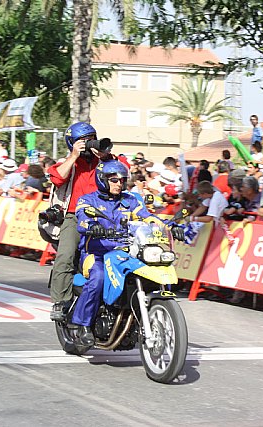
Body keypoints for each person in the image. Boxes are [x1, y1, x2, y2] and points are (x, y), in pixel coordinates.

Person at [71, 159, 184, 345]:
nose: (118, 183)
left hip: (126, 252)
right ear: (102, 179)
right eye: (114, 180)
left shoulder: (130, 200)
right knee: (98, 276)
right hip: (95, 254)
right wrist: (92, 226)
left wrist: (170, 227)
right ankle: (82, 325)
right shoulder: (87, 200)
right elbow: (83, 219)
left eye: (122, 180)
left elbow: (147, 217)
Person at [48, 122, 113, 321]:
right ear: (72, 143)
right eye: (83, 141)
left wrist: (105, 156)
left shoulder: (106, 161)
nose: (88, 144)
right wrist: (74, 155)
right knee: (65, 255)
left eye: (91, 138)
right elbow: (57, 178)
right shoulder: (68, 162)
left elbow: (123, 172)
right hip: (74, 216)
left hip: (107, 215)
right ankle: (60, 302)